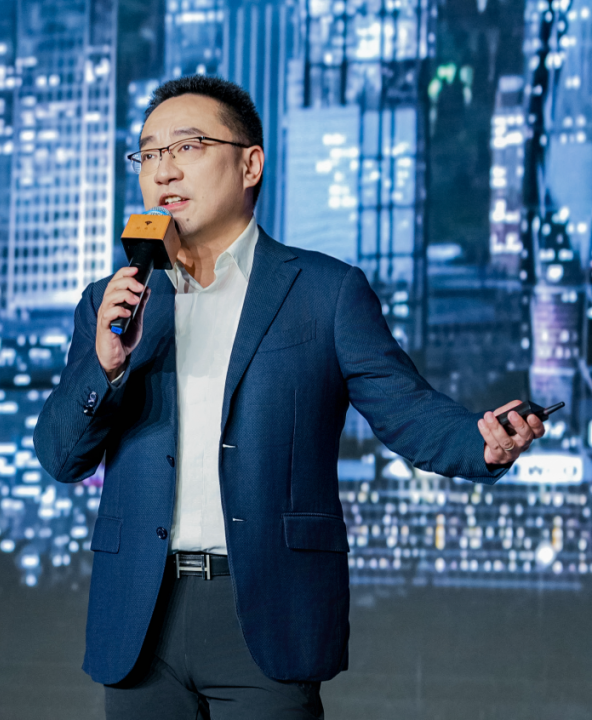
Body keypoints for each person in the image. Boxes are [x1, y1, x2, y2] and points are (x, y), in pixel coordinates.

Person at [32, 75, 545, 720]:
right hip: (139, 614)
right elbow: (60, 456)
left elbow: (407, 411)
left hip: (266, 611)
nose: (163, 171)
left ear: (250, 164)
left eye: (187, 147)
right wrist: (106, 366)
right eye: (149, 153)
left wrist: (482, 442)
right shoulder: (112, 301)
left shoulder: (324, 292)